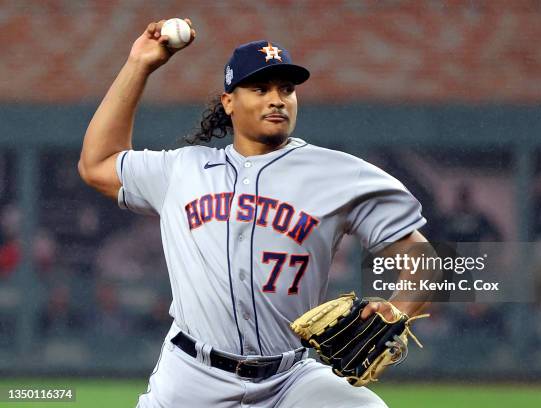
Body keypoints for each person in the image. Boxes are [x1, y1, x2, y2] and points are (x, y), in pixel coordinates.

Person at [78, 19, 432, 408]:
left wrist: (398, 308)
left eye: (286, 89)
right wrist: (138, 65)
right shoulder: (182, 170)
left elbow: (423, 259)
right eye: (260, 89)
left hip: (290, 378)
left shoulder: (338, 174)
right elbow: (97, 164)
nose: (276, 99)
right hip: (193, 376)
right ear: (229, 101)